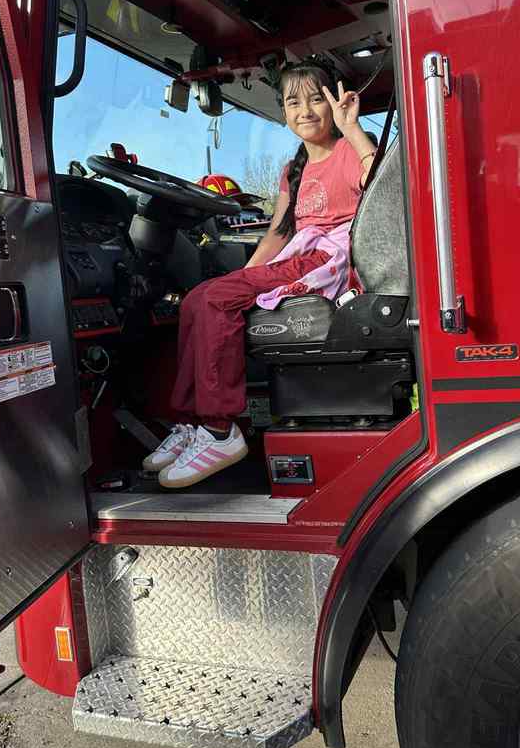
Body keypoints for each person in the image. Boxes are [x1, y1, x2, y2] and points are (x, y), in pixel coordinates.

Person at [145, 60, 379, 488]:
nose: (305, 110)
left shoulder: (350, 149)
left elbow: (381, 184)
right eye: (293, 102)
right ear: (284, 113)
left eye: (316, 99)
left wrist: (352, 128)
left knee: (215, 298)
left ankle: (220, 429)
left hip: (329, 262)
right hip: (298, 254)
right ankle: (191, 421)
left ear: (334, 103)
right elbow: (277, 234)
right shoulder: (294, 168)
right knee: (202, 297)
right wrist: (243, 283)